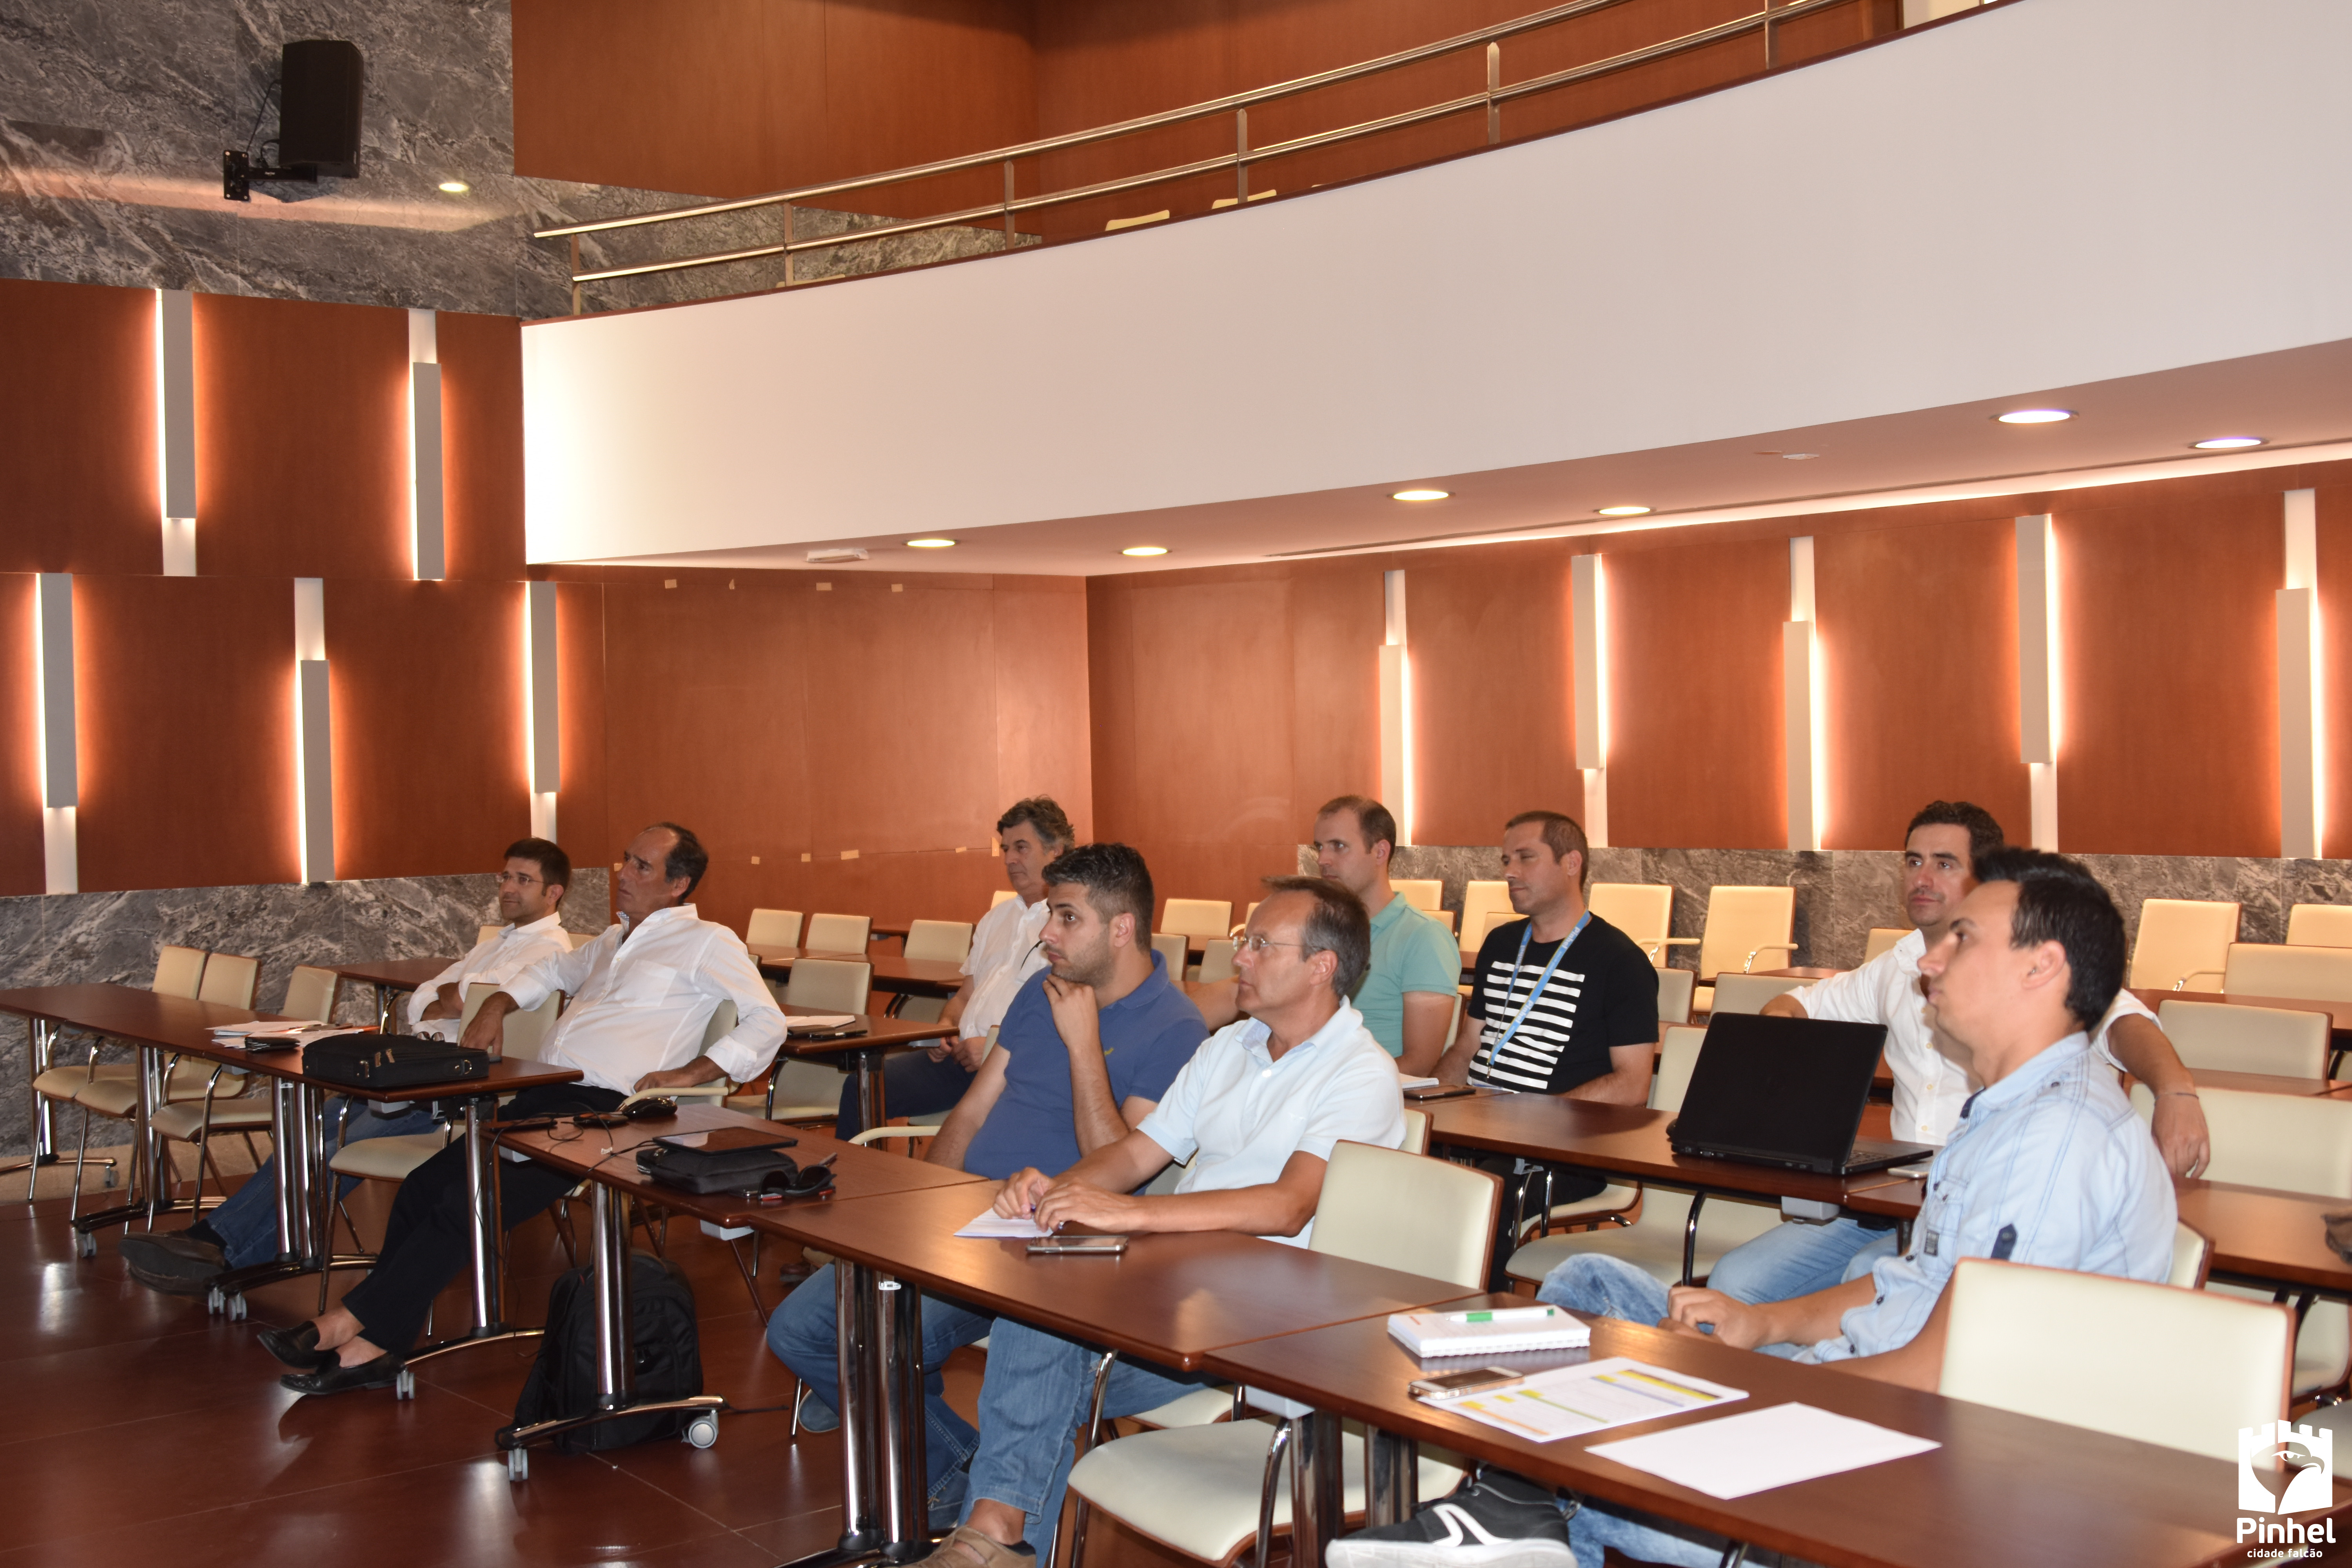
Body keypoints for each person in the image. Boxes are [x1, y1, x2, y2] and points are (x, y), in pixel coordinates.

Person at [1334, 849, 2177, 1568]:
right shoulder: (2002, 1112)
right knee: (1591, 1285)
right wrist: (1761, 1324)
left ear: (2041, 967)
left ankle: (1522, 1515)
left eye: (1963, 938)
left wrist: (1759, 1392)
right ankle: (1517, 1509)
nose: (1930, 960)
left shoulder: (2054, 1139)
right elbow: (1911, 1281)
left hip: (1920, 1455)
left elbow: (1945, 1376)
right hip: (1852, 1378)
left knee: (1615, 1483)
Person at [915, 877, 1406, 1568]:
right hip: (1182, 1292)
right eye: (1243, 941)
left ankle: (993, 1539)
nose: (1239, 958)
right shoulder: (1230, 1047)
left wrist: (1131, 1211)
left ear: (1321, 966)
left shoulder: (1362, 1073)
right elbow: (1137, 1153)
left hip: (1273, 1325)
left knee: (1042, 1352)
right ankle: (996, 1536)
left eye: (1261, 945)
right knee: (1042, 1317)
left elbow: (1288, 1204)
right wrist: (1057, 1190)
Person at [254, 822, 786, 1396]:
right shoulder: (613, 940)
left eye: (642, 867)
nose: (623, 874)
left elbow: (767, 1021)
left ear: (678, 884)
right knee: (423, 1189)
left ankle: (342, 1325)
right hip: (548, 1096)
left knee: (469, 1201)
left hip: (611, 1112)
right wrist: (497, 1005)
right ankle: (374, 1346)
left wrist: (690, 1073)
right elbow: (550, 971)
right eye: (626, 860)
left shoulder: (708, 941)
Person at [767, 842, 1206, 1529]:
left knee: (870, 1343)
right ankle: (959, 1469)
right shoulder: (1040, 990)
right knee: (803, 1330)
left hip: (1055, 1246)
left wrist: (1083, 1043)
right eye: (1050, 914)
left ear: (1122, 928)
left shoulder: (1175, 1026)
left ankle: (980, 1490)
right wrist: (921, 1203)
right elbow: (971, 1112)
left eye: (1067, 917)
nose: (1047, 932)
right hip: (970, 1220)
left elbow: (1120, 1164)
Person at [1668, 801, 2205, 1309]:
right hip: (1884, 1202)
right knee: (1736, 1280)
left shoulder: (2024, 971)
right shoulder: (1897, 965)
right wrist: (1792, 1077)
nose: (1922, 878)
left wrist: (2175, 1091)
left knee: (1868, 1284)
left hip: (1973, 1205)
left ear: (1984, 879)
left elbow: (2126, 1023)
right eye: (1913, 861)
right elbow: (1793, 1006)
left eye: (1944, 864)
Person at [118, 837, 577, 1296]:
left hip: (459, 1093)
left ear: (553, 892)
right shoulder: (497, 942)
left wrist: (450, 998)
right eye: (505, 876)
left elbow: (458, 1000)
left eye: (523, 880)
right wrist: (448, 998)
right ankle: (212, 1238)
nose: (508, 887)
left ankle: (229, 1254)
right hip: (420, 1072)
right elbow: (423, 998)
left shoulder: (549, 952)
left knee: (327, 1150)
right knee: (303, 1138)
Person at [1432, 811, 1657, 1279]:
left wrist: (1538, 1120)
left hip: (1560, 1148)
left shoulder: (1619, 961)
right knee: (1392, 1164)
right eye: (1506, 860)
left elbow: (1633, 1084)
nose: (1509, 872)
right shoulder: (1500, 944)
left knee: (1483, 1195)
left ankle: (1472, 1310)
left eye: (1526, 858)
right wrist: (1428, 1106)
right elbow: (1468, 1046)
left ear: (1571, 863)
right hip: (1478, 1127)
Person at [833, 797, 1073, 1140]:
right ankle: (858, 1176)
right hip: (959, 1060)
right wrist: (945, 1029)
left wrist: (992, 1049)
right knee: (861, 1088)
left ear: (1056, 852)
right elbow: (963, 997)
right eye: (1006, 849)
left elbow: (1065, 1020)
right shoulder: (996, 918)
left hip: (1014, 1069)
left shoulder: (1068, 924)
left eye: (1021, 847)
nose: (1009, 859)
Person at [1192, 795, 1460, 1076]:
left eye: (1338, 846)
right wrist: (1171, 1026)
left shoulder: (1424, 937)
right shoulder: (1313, 927)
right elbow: (1232, 992)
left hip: (1362, 1087)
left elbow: (1421, 1062)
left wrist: (1323, 1085)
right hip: (1294, 1075)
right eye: (1319, 847)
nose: (1322, 860)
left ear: (1380, 852)